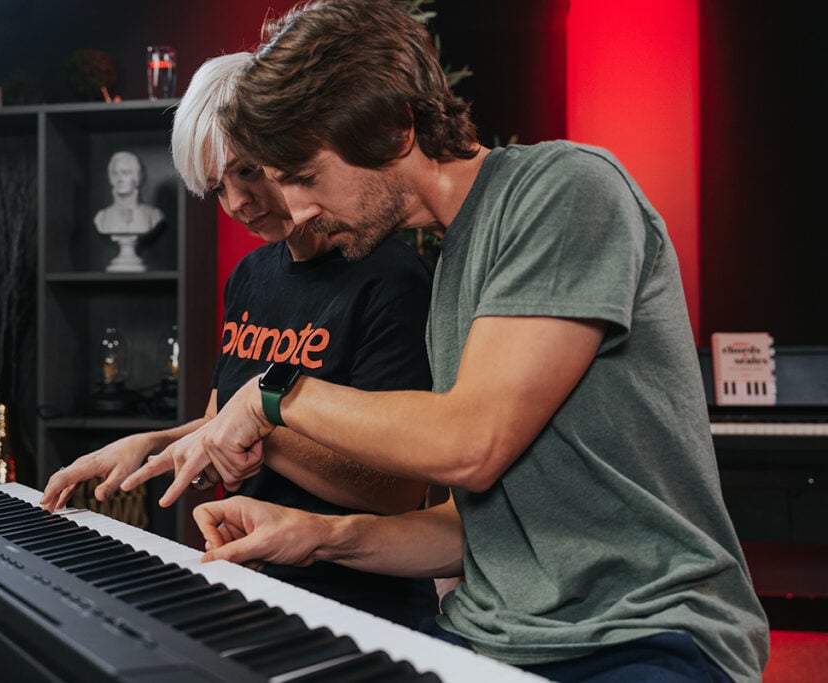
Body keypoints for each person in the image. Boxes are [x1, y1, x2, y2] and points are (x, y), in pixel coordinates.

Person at [133, 1, 771, 681]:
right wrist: (318, 535)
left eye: (306, 177)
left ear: (390, 129)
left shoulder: (565, 189)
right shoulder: (452, 278)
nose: (298, 210)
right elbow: (478, 532)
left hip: (646, 633)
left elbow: (473, 443)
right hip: (491, 638)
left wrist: (273, 394)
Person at [41, 52, 440, 628]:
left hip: (362, 607)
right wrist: (150, 445)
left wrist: (262, 425)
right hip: (249, 583)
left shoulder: (391, 278)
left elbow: (397, 490)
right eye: (216, 188)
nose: (237, 204)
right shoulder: (250, 277)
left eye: (248, 171)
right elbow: (218, 421)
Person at [94, 150, 164, 236]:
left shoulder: (154, 216)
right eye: (115, 173)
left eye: (125, 173)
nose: (119, 179)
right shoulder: (102, 217)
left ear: (137, 177)